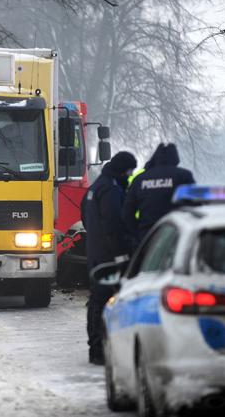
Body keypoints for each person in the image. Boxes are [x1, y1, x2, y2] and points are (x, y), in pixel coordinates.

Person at [81, 151, 137, 364]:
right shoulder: (112, 189)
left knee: (96, 301)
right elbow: (114, 224)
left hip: (95, 252)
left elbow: (85, 216)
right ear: (124, 169)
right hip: (109, 256)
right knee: (105, 302)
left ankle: (95, 349)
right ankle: (100, 351)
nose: (130, 175)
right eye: (130, 171)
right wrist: (122, 253)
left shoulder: (96, 186)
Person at [123, 143, 195, 247]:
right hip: (175, 237)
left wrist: (138, 232)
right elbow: (194, 206)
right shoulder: (183, 176)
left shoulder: (140, 179)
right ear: (176, 158)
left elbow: (127, 213)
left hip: (146, 237)